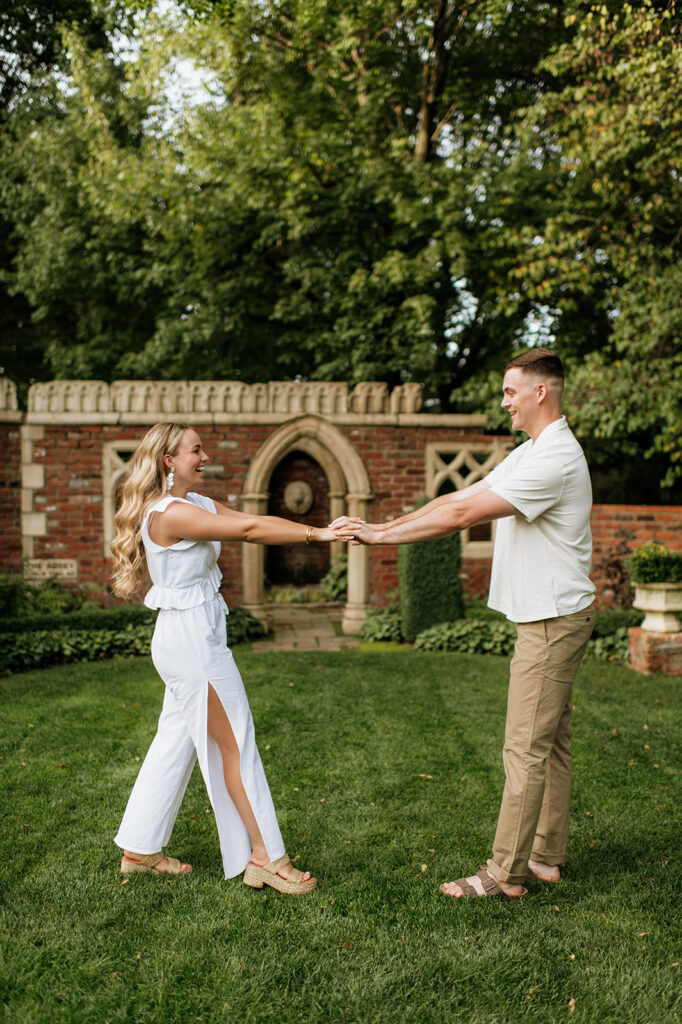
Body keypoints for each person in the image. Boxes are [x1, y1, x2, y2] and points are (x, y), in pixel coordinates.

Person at [334, 349, 595, 900]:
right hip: (554, 615)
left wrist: (379, 539)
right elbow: (457, 495)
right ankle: (545, 857)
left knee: (524, 748)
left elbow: (461, 517)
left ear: (540, 393)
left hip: (552, 621)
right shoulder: (532, 451)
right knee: (550, 743)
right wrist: (381, 524)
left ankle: (504, 875)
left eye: (510, 391)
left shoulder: (556, 459)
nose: (504, 401)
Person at [110, 422, 340, 894]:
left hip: (193, 637)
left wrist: (317, 531)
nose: (206, 457)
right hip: (191, 643)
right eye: (197, 450)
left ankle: (139, 848)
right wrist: (320, 534)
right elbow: (251, 528)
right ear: (170, 461)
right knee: (235, 743)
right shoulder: (170, 513)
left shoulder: (195, 504)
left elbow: (256, 526)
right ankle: (266, 858)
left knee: (176, 741)